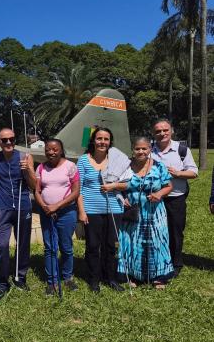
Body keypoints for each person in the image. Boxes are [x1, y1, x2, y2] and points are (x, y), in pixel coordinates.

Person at [117, 137, 174, 289]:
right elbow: (116, 185)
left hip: (155, 213)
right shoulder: (125, 166)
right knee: (131, 242)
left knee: (157, 242)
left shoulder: (159, 166)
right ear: (133, 149)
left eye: (144, 148)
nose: (141, 151)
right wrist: (121, 197)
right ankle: (132, 275)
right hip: (132, 212)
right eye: (137, 148)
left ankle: (158, 277)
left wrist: (159, 194)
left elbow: (169, 186)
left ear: (150, 149)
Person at [0, 128, 36, 300]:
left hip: (23, 206)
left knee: (23, 244)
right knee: (3, 245)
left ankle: (20, 277)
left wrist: (28, 170)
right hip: (2, 208)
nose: (9, 142)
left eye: (12, 139)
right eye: (4, 140)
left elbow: (34, 185)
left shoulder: (25, 157)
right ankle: (3, 282)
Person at [77, 127, 126, 293]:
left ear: (110, 142)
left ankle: (110, 277)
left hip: (114, 209)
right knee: (93, 246)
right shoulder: (83, 160)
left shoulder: (116, 160)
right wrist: (81, 211)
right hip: (91, 210)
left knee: (111, 245)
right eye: (99, 138)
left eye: (106, 139)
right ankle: (94, 279)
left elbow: (128, 183)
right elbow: (78, 189)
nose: (102, 142)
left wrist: (114, 185)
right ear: (93, 140)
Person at [151, 119, 198, 277]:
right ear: (153, 133)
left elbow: (194, 172)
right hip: (155, 197)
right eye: (158, 131)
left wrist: (178, 173)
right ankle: (157, 260)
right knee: (155, 230)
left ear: (171, 131)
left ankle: (175, 263)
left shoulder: (182, 150)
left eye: (165, 130)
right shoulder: (149, 150)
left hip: (175, 197)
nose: (162, 133)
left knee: (175, 231)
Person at [34, 139, 80, 295]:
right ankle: (51, 281)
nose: (51, 152)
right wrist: (44, 206)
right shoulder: (41, 168)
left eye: (55, 149)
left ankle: (67, 277)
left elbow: (76, 192)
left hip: (66, 212)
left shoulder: (70, 166)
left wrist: (57, 206)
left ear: (61, 150)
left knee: (66, 247)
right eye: (48, 149)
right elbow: (37, 191)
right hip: (47, 213)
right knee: (50, 248)